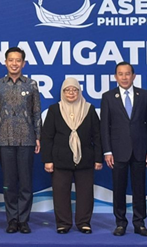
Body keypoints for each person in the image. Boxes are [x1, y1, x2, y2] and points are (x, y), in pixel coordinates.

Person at [100, 61, 147, 237]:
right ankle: (120, 223)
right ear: (115, 77)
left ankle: (139, 223)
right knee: (119, 189)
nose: (124, 77)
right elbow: (104, 127)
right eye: (120, 74)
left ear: (134, 76)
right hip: (117, 151)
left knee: (139, 188)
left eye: (127, 74)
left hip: (140, 150)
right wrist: (107, 151)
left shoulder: (144, 95)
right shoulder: (108, 97)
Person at [41, 77, 101, 234]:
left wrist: (98, 158)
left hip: (85, 159)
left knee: (85, 193)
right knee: (60, 193)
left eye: (74, 90)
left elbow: (97, 136)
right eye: (67, 90)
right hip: (60, 160)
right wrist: (47, 160)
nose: (71, 93)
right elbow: (47, 137)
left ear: (79, 91)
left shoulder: (89, 109)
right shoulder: (55, 110)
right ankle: (63, 223)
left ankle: (83, 222)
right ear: (63, 92)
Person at [0, 46, 41, 234]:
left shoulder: (31, 85)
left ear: (23, 63)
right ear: (5, 63)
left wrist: (38, 136)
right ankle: (12, 220)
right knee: (9, 183)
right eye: (10, 60)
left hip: (26, 140)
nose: (14, 63)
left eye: (18, 60)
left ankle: (24, 220)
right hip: (4, 140)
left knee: (26, 183)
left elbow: (36, 112)